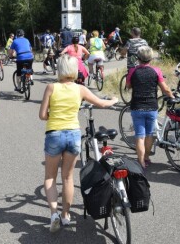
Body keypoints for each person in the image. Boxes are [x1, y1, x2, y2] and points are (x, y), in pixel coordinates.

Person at [39, 55, 117, 232]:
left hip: (54, 134)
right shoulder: (80, 89)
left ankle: (53, 214)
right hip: (73, 134)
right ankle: (66, 216)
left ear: (59, 69)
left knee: (50, 177)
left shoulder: (51, 87)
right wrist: (113, 100)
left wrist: (55, 115)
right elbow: (101, 103)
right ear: (74, 70)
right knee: (67, 177)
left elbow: (43, 115)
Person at [126, 46, 174, 168]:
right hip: (152, 107)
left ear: (138, 58)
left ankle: (141, 161)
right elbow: (165, 89)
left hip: (137, 106)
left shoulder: (133, 71)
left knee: (139, 136)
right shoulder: (156, 71)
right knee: (149, 134)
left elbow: (128, 86)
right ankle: (146, 157)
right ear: (151, 59)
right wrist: (172, 97)